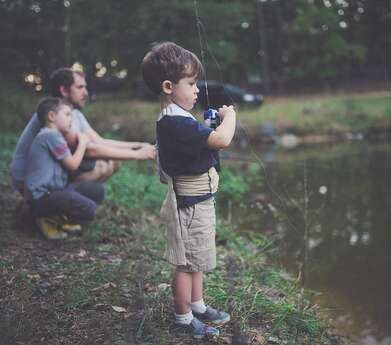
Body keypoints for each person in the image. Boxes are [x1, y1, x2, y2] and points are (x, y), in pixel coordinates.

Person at [141, 42, 236, 339]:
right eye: (192, 83)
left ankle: (197, 305)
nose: (197, 90)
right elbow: (221, 141)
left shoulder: (178, 118)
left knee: (197, 259)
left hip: (199, 201)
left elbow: (199, 142)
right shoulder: (174, 121)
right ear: (169, 86)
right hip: (190, 205)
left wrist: (208, 124)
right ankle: (183, 319)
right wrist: (230, 117)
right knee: (185, 264)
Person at [10, 67, 156, 193]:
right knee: (100, 166)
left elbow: (99, 141)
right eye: (80, 87)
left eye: (85, 87)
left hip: (49, 173)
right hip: (28, 179)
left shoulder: (73, 113)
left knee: (112, 162)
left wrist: (139, 145)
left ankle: (68, 206)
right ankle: (55, 209)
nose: (86, 92)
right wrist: (137, 155)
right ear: (63, 90)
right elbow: (89, 150)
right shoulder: (55, 116)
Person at [25, 97, 105, 240]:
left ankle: (58, 216)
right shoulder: (50, 136)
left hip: (55, 191)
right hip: (41, 197)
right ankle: (47, 218)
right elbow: (73, 165)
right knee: (90, 209)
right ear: (51, 116)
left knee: (97, 190)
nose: (71, 119)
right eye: (67, 115)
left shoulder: (54, 136)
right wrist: (83, 142)